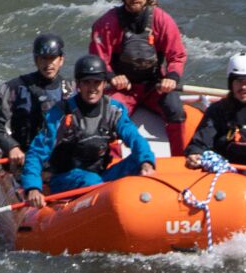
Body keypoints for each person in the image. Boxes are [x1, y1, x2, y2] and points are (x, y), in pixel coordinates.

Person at [21, 56, 158, 201]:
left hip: (100, 175)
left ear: (104, 84)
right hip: (64, 178)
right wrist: (32, 187)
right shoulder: (61, 113)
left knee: (139, 161)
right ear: (78, 85)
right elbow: (37, 152)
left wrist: (146, 162)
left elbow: (135, 138)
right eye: (87, 82)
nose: (92, 89)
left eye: (97, 82)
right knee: (91, 181)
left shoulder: (114, 110)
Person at [88, 0, 188, 151]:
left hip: (154, 86)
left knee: (175, 110)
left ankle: (180, 158)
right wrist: (111, 77)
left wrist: (172, 78)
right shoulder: (107, 23)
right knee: (109, 115)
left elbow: (177, 55)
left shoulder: (162, 20)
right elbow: (99, 60)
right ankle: (111, 161)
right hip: (124, 88)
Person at [0, 33, 65, 160]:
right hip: (25, 158)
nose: (48, 64)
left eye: (52, 58)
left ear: (61, 60)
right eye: (43, 58)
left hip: (61, 160)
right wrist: (11, 147)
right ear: (36, 60)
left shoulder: (73, 88)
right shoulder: (15, 88)